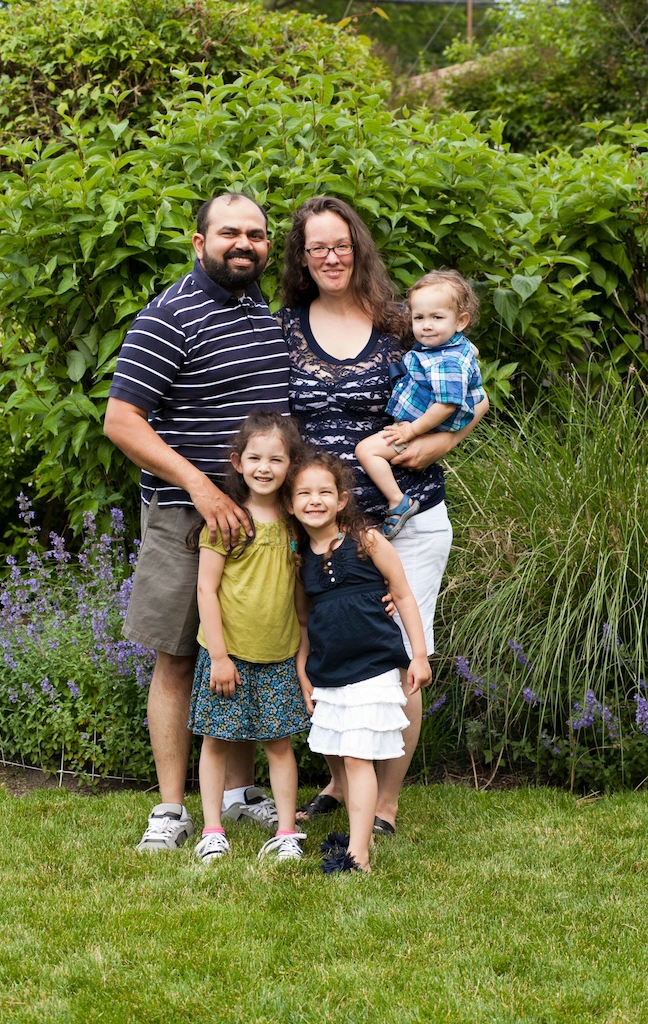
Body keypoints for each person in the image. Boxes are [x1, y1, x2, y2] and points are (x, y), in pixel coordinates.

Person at [276, 195, 489, 835]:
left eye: (341, 243)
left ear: (358, 247)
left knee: (397, 651)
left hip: (406, 519)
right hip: (323, 527)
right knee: (338, 649)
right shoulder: (286, 325)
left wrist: (437, 443)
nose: (331, 256)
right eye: (318, 247)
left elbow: (473, 398)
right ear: (302, 257)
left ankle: (387, 800)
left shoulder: (402, 321)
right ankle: (343, 785)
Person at [104, 193, 292, 851]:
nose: (245, 244)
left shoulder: (261, 311)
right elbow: (121, 419)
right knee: (180, 656)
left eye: (257, 235)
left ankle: (238, 797)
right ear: (198, 241)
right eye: (230, 233)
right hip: (188, 516)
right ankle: (169, 809)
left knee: (245, 651)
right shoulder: (168, 318)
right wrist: (201, 485)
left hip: (261, 522)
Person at [288, 450, 432, 873]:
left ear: (342, 499)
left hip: (374, 664)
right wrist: (303, 669)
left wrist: (419, 656)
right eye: (303, 493)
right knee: (342, 754)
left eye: (324, 492)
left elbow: (402, 593)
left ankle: (359, 854)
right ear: (291, 503)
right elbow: (302, 621)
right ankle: (356, 835)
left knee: (357, 757)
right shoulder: (301, 562)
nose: (314, 500)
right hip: (329, 671)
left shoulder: (367, 541)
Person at [189, 412, 310, 864]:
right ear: (238, 463)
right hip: (228, 656)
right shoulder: (226, 522)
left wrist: (302, 651)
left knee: (279, 745)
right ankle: (212, 829)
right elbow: (206, 589)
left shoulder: (296, 522)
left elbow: (300, 595)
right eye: (255, 457)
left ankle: (285, 832)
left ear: (290, 464)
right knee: (216, 741)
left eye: (275, 459)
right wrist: (219, 657)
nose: (264, 467)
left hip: (278, 656)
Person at [356, 269, 485, 540]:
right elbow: (468, 352)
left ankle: (398, 502)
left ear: (461, 321)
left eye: (437, 317)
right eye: (419, 317)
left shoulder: (446, 361)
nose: (426, 325)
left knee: (367, 451)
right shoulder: (449, 347)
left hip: (422, 430)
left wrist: (411, 432)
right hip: (419, 427)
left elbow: (447, 405)